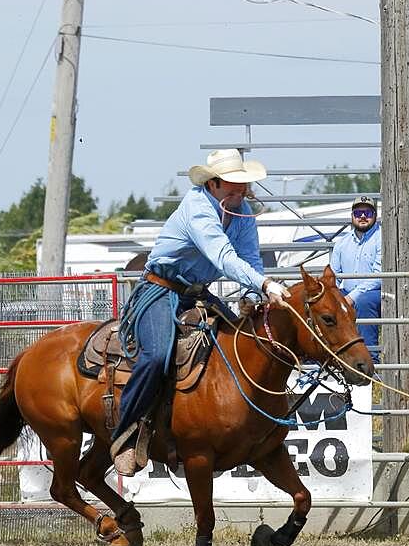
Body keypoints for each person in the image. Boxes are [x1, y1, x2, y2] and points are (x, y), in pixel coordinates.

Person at [111, 149, 291, 476]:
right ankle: (126, 431)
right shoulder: (196, 208)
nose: (240, 190)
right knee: (156, 354)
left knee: (239, 343)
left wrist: (254, 293)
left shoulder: (242, 211)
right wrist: (265, 285)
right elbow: (223, 257)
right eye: (233, 184)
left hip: (196, 293)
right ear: (213, 183)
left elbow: (249, 257)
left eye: (244, 184)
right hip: (160, 288)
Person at [330, 195, 382, 363]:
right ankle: (328, 358)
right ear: (352, 216)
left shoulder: (382, 239)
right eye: (358, 212)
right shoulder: (341, 243)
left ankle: (371, 360)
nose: (362, 216)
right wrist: (333, 296)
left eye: (367, 212)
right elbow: (333, 276)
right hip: (347, 292)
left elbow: (379, 276)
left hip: (376, 292)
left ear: (375, 215)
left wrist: (351, 297)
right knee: (324, 304)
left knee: (364, 302)